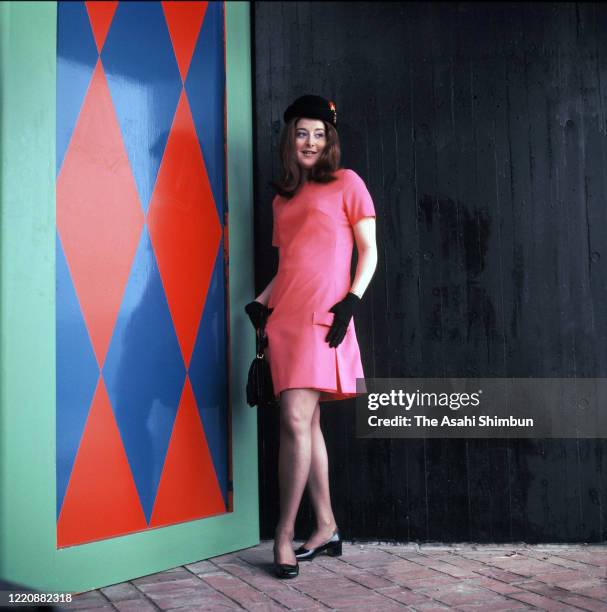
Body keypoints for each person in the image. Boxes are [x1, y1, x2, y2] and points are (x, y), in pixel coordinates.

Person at [245, 95, 378, 579]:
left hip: (327, 319)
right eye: (303, 132)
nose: (311, 142)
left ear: (330, 141)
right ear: (290, 138)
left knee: (296, 421)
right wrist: (261, 302)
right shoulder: (283, 199)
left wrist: (352, 302)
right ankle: (325, 527)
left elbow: (370, 251)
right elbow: (289, 266)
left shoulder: (349, 183)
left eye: (320, 134)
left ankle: (283, 535)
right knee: (306, 424)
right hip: (285, 320)